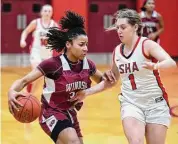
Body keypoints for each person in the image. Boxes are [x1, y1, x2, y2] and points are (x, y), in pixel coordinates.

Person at [71, 9, 177, 144]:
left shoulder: (147, 45)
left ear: (135, 27)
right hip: (131, 103)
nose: (119, 31)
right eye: (117, 28)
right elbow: (111, 81)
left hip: (155, 104)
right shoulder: (117, 52)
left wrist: (156, 66)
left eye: (123, 27)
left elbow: (171, 62)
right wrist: (86, 92)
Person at [8, 11, 114, 144]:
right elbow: (24, 81)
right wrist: (11, 91)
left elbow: (106, 83)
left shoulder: (88, 64)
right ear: (68, 44)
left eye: (86, 44)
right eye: (81, 45)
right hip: (51, 112)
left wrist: (103, 81)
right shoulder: (53, 64)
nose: (85, 48)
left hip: (70, 113)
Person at [20, 4, 58, 94]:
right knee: (37, 72)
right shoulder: (36, 22)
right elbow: (25, 31)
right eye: (45, 11)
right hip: (36, 52)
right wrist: (22, 40)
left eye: (49, 11)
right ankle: (29, 93)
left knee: (40, 77)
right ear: (41, 12)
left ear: (52, 13)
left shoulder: (53, 25)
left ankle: (30, 92)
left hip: (47, 54)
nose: (47, 13)